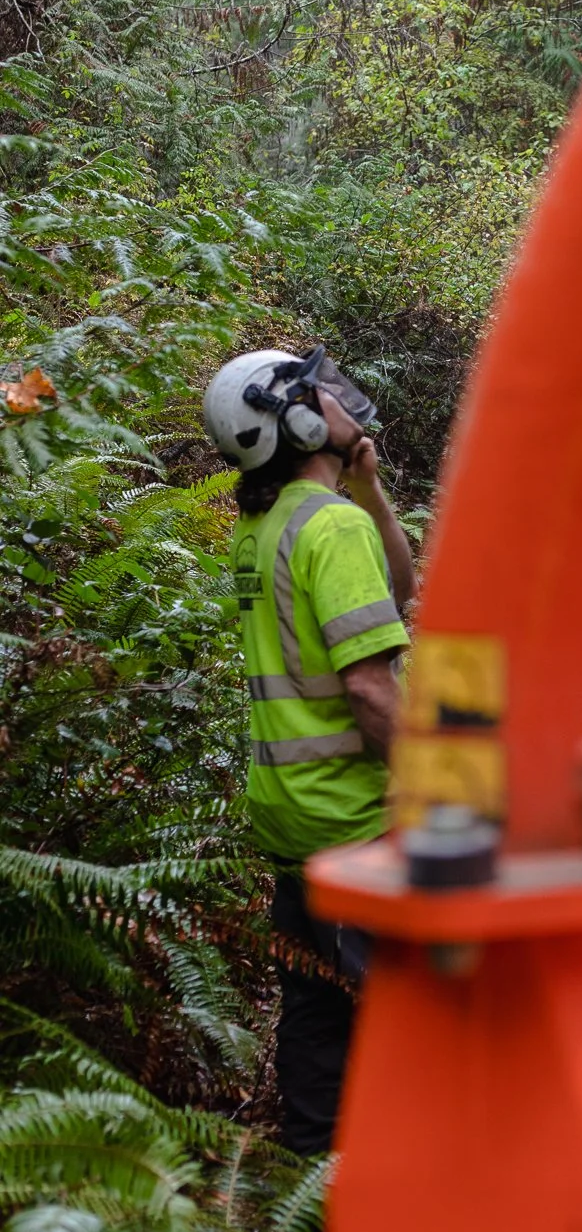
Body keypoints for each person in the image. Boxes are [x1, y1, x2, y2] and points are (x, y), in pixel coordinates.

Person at [201, 345, 415, 1154]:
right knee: (421, 1011)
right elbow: (367, 689)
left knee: (315, 1013)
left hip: (287, 811)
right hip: (352, 813)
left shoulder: (267, 526)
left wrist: (368, 484)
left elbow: (397, 593)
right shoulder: (330, 527)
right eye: (317, 390)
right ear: (289, 418)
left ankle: (310, 1190)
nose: (338, 396)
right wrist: (439, 785)